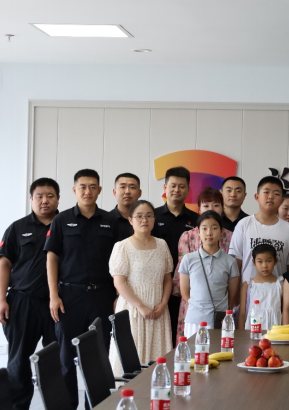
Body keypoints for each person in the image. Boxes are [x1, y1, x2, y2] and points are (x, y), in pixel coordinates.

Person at [44, 169, 119, 409]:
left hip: (102, 296)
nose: (88, 191)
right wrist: (53, 296)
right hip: (69, 297)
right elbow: (52, 258)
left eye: (93, 187)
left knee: (98, 357)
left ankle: (95, 406)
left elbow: (120, 261)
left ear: (99, 190)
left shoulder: (110, 221)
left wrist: (117, 295)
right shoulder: (61, 220)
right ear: (74, 190)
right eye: (83, 187)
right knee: (66, 358)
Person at [0, 178, 59, 410]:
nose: (45, 201)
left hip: (58, 304)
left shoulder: (66, 225)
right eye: (39, 196)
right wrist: (1, 299)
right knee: (18, 362)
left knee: (56, 361)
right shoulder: (17, 227)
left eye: (50, 196)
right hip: (22, 302)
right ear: (31, 199)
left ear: (58, 199)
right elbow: (4, 265)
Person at [108, 200, 173, 376]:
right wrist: (141, 306)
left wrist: (164, 303)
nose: (144, 220)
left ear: (154, 219)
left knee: (157, 361)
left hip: (158, 310)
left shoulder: (162, 245)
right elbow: (119, 283)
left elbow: (167, 279)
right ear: (130, 220)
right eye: (139, 216)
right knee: (131, 357)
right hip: (133, 310)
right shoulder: (122, 247)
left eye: (149, 216)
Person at [172, 187, 236, 339]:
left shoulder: (230, 258)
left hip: (220, 317)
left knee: (220, 351)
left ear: (220, 231)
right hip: (195, 316)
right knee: (194, 351)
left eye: (214, 228)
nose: (209, 233)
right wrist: (197, 306)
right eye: (204, 229)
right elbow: (185, 291)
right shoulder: (189, 255)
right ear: (198, 231)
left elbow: (232, 295)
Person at [152, 166, 198, 345]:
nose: (176, 190)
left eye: (181, 186)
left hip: (186, 287)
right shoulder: (153, 216)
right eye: (173, 186)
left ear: (188, 190)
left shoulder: (196, 219)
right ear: (165, 188)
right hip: (158, 284)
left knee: (182, 335)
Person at [230, 176, 289, 283]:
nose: (270, 197)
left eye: (276, 194)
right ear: (257, 197)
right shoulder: (244, 224)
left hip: (278, 291)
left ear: (281, 201)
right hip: (248, 291)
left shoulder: (288, 229)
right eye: (266, 192)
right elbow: (235, 264)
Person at [240, 244, 284, 331]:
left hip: (275, 332)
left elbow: (284, 311)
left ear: (275, 261)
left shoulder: (280, 284)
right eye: (260, 261)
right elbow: (242, 314)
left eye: (269, 261)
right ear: (254, 262)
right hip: (252, 331)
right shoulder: (248, 284)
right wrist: (241, 334)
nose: (264, 266)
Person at [110, 173, 141, 241]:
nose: (127, 192)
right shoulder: (106, 220)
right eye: (123, 187)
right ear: (114, 192)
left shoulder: (146, 220)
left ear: (139, 193)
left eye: (132, 187)